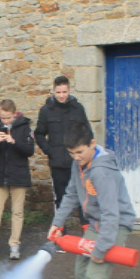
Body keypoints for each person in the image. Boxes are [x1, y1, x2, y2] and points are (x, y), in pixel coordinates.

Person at [47, 123, 136, 279]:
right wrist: (57, 223)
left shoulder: (102, 173)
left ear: (92, 144)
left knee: (95, 278)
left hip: (114, 226)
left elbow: (111, 214)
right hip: (96, 224)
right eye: (71, 153)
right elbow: (70, 194)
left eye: (79, 152)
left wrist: (101, 249)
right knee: (81, 275)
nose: (76, 157)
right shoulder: (79, 165)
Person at [0, 99, 35, 260]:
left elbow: (29, 150)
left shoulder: (24, 127)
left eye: (8, 118)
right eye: (3, 117)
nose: (5, 121)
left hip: (18, 175)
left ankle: (14, 244)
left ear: (15, 114)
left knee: (17, 212)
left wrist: (14, 142)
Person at [34, 76, 91, 228]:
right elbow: (39, 134)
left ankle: (87, 235)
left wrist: (84, 154)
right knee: (60, 198)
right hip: (58, 162)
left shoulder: (78, 108)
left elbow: (87, 131)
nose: (61, 95)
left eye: (64, 92)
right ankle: (60, 233)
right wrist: (49, 151)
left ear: (69, 90)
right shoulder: (46, 110)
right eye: (58, 92)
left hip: (77, 161)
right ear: (53, 91)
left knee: (83, 197)